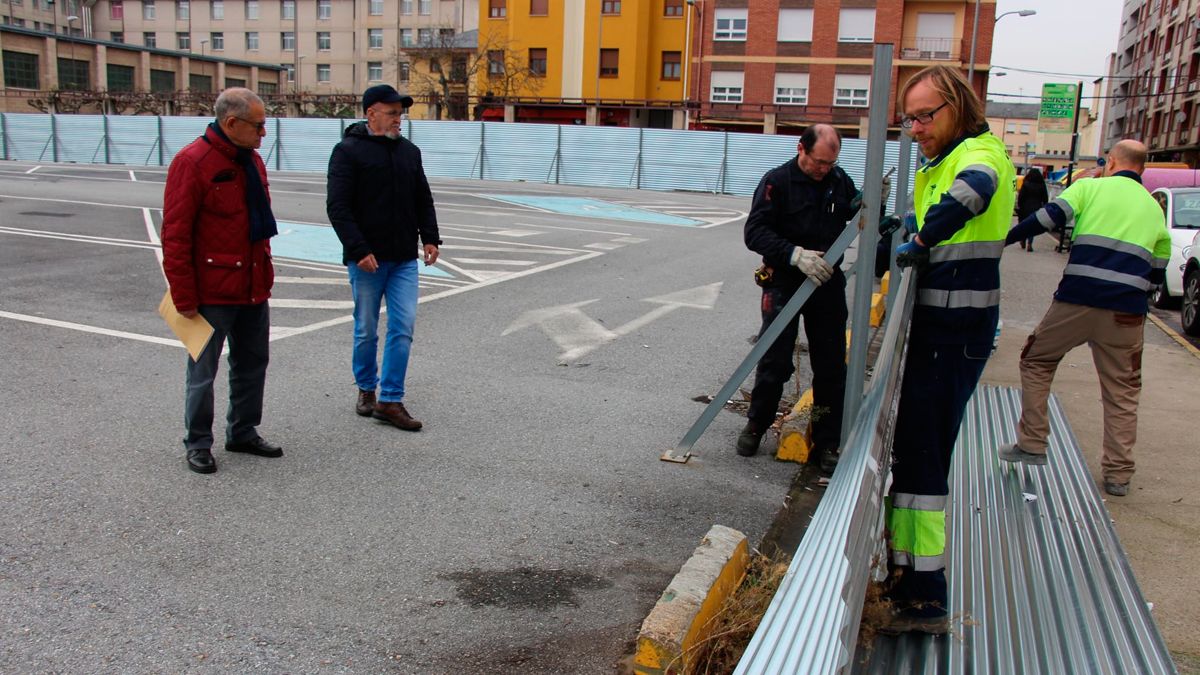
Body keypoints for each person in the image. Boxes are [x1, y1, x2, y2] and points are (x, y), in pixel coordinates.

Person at [885, 65, 1017, 633]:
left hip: (953, 333)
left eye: (923, 116)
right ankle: (908, 577)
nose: (915, 127)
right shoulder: (938, 163)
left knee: (923, 461)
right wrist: (907, 226)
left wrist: (921, 238)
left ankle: (924, 598)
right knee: (916, 455)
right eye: (908, 117)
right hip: (942, 330)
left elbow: (978, 189)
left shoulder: (979, 154)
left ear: (956, 106)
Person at [998, 140, 1170, 498]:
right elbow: (1159, 264)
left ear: (1111, 162)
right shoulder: (1154, 208)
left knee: (1037, 360)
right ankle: (1118, 475)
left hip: (1076, 302)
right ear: (1142, 169)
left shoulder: (1090, 187)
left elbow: (1045, 219)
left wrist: (1003, 240)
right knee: (1122, 392)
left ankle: (1032, 443)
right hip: (1126, 312)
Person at [161, 88, 282, 475]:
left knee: (253, 363)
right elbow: (176, 235)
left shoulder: (253, 162)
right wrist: (183, 295)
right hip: (212, 289)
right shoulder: (191, 162)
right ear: (232, 123)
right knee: (203, 372)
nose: (264, 133)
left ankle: (243, 432)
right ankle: (198, 442)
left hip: (252, 283)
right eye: (259, 126)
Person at [740, 124, 859, 474]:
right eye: (818, 162)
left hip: (825, 283)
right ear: (801, 149)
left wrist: (874, 205)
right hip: (785, 280)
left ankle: (826, 440)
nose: (823, 169)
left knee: (831, 366)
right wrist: (793, 254)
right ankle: (757, 424)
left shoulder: (839, 182)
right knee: (774, 360)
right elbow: (755, 232)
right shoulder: (777, 182)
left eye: (830, 163)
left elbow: (860, 217)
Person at [327, 84, 441, 431]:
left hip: (403, 257)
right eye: (392, 113)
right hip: (367, 260)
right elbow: (338, 206)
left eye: (400, 113)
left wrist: (430, 238)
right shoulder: (348, 151)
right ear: (371, 113)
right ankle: (366, 389)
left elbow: (423, 198)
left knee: (402, 327)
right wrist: (359, 249)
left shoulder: (409, 152)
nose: (398, 119)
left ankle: (390, 399)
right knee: (365, 330)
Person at [1016, 168, 1048, 251]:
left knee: (1024, 225)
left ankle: (1023, 240)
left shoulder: (1026, 184)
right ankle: (1030, 243)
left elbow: (1021, 196)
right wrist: (1044, 206)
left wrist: (1019, 204)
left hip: (1025, 207)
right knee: (1032, 226)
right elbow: (1045, 197)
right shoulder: (1041, 185)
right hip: (1036, 207)